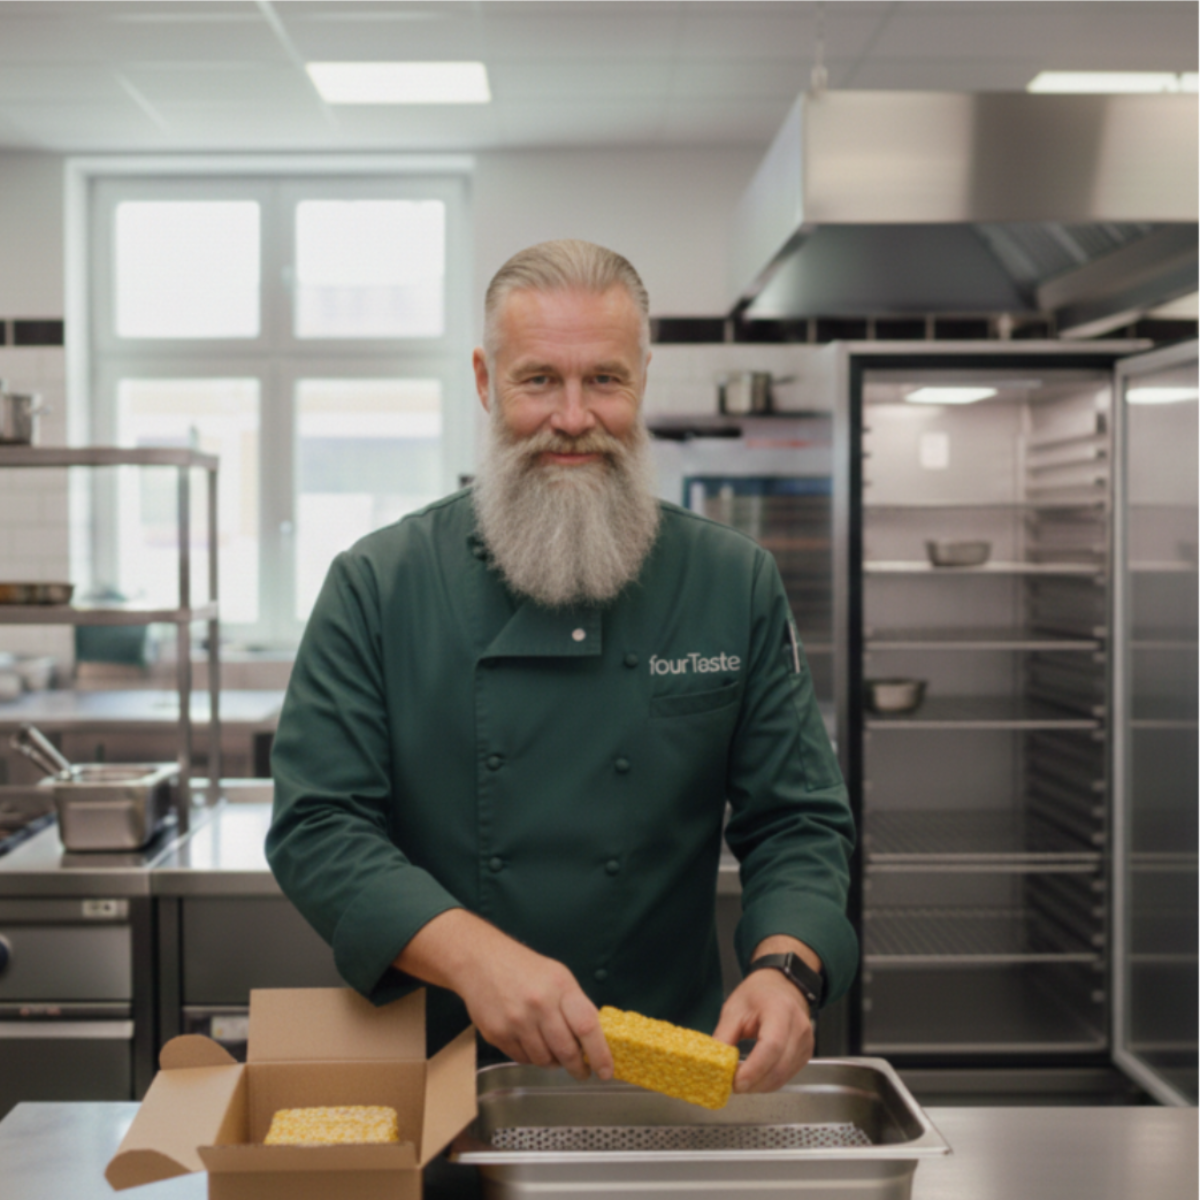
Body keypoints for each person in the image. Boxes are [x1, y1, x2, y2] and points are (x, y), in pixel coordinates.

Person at [266, 238, 856, 1095]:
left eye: (604, 380)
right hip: (438, 1076)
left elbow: (797, 821)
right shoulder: (379, 583)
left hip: (665, 1076)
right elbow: (318, 824)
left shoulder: (733, 581)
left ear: (642, 380)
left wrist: (787, 969)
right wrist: (474, 957)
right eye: (539, 379)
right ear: (484, 380)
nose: (573, 416)